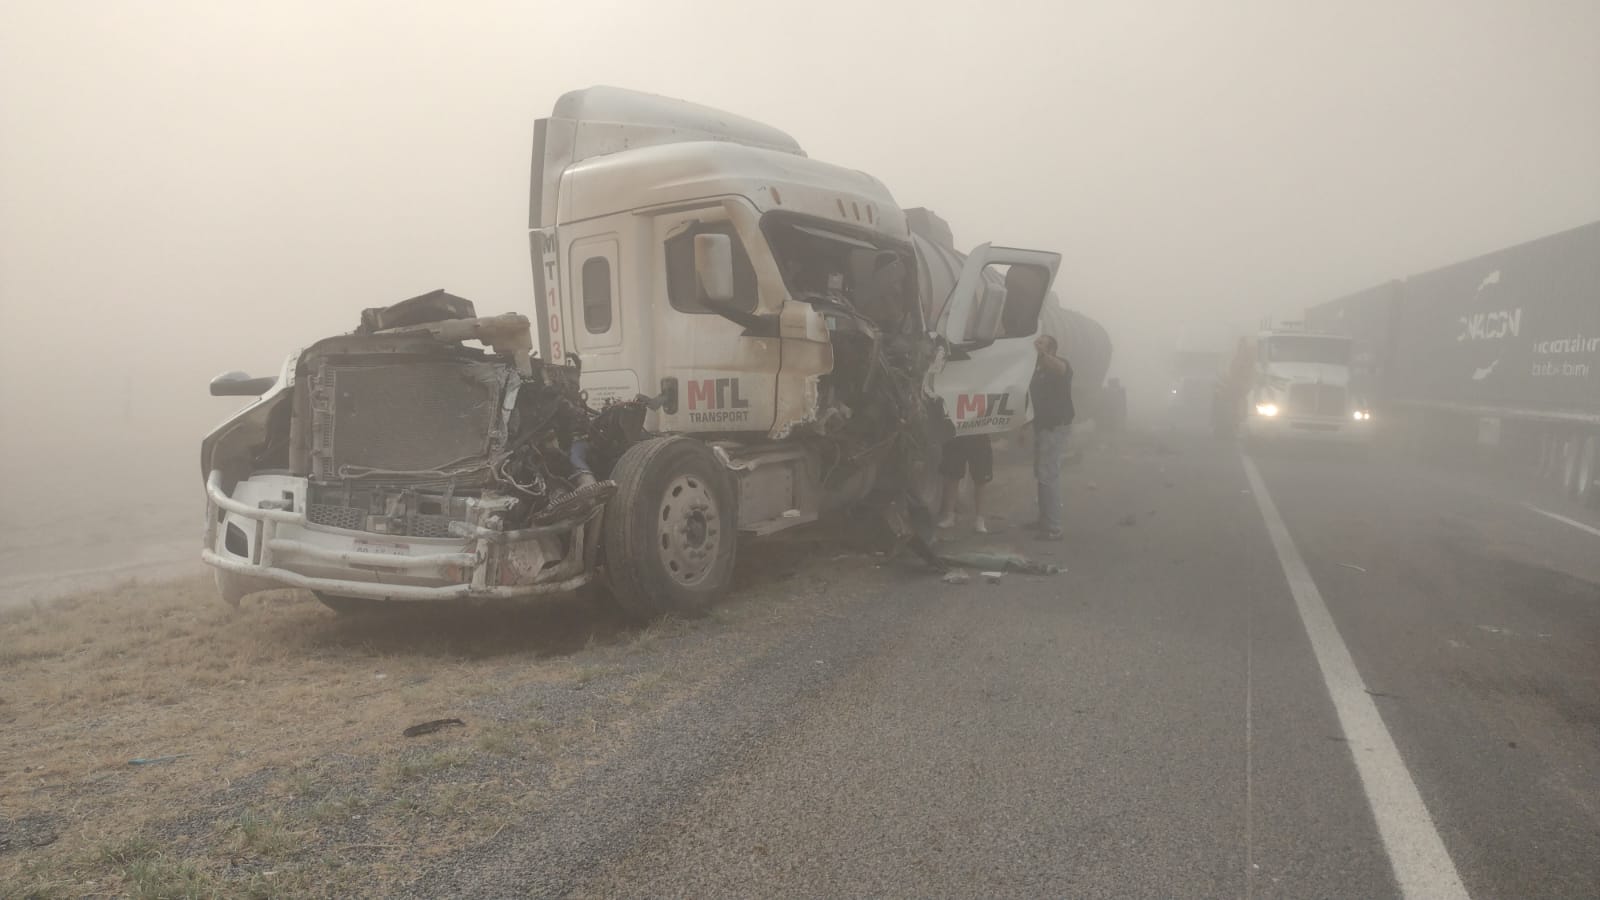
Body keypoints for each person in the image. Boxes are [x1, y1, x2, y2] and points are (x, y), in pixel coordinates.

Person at [1029, 333, 1074, 540]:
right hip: (1043, 426)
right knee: (1042, 473)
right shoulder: (1037, 370)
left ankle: (1054, 527)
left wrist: (1042, 353)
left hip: (1056, 426)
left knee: (1049, 474)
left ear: (1052, 349)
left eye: (1042, 343)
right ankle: (1044, 520)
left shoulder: (1061, 365)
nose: (1036, 345)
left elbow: (1060, 368)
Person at [936, 432, 993, 533]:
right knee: (952, 476)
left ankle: (980, 519)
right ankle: (950, 516)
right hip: (956, 434)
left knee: (981, 479)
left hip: (979, 436)